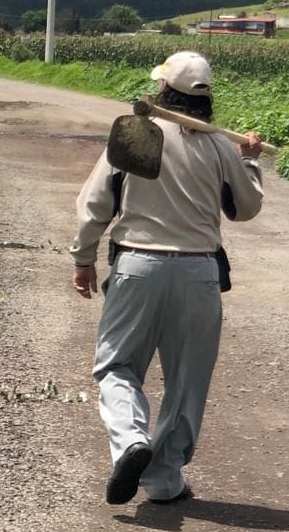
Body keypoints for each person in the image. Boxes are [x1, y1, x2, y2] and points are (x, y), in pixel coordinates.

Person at [69, 51, 263, 505]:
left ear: (163, 91)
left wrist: (83, 258)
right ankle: (162, 480)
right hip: (200, 272)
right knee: (186, 381)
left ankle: (131, 439)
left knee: (116, 366)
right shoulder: (218, 144)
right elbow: (246, 208)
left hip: (138, 266)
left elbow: (97, 203)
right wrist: (249, 161)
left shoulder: (136, 133)